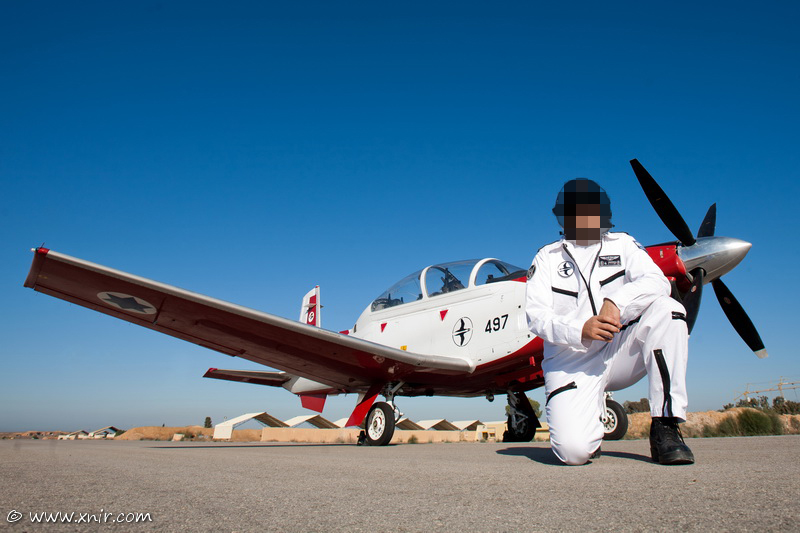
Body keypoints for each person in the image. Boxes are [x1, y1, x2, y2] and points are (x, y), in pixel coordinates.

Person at [525, 178, 694, 465]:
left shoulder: (625, 244)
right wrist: (580, 329)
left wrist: (617, 302)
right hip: (572, 361)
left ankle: (666, 426)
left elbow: (657, 281)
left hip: (620, 351)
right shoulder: (546, 258)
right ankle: (588, 430)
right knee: (573, 452)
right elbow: (536, 317)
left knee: (668, 310)